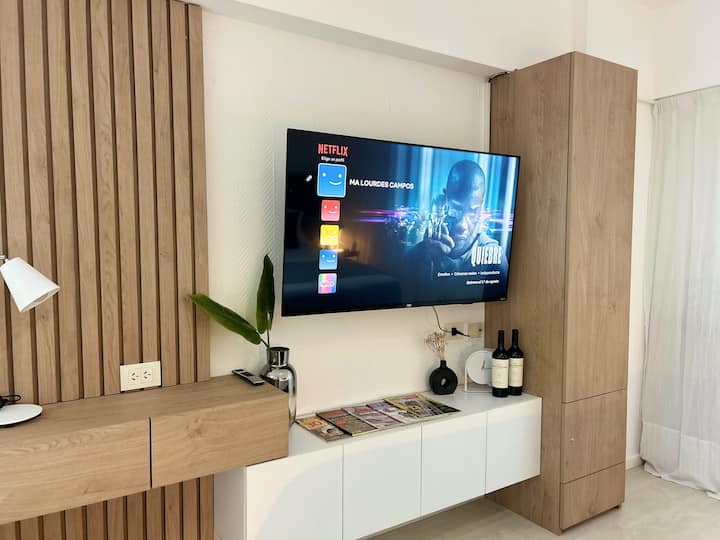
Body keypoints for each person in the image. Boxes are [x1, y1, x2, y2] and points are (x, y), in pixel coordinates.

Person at [413, 160, 503, 275]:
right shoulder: (418, 254)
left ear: (481, 204)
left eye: (473, 211)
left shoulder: (494, 258)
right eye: (455, 208)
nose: (462, 225)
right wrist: (426, 260)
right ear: (445, 198)